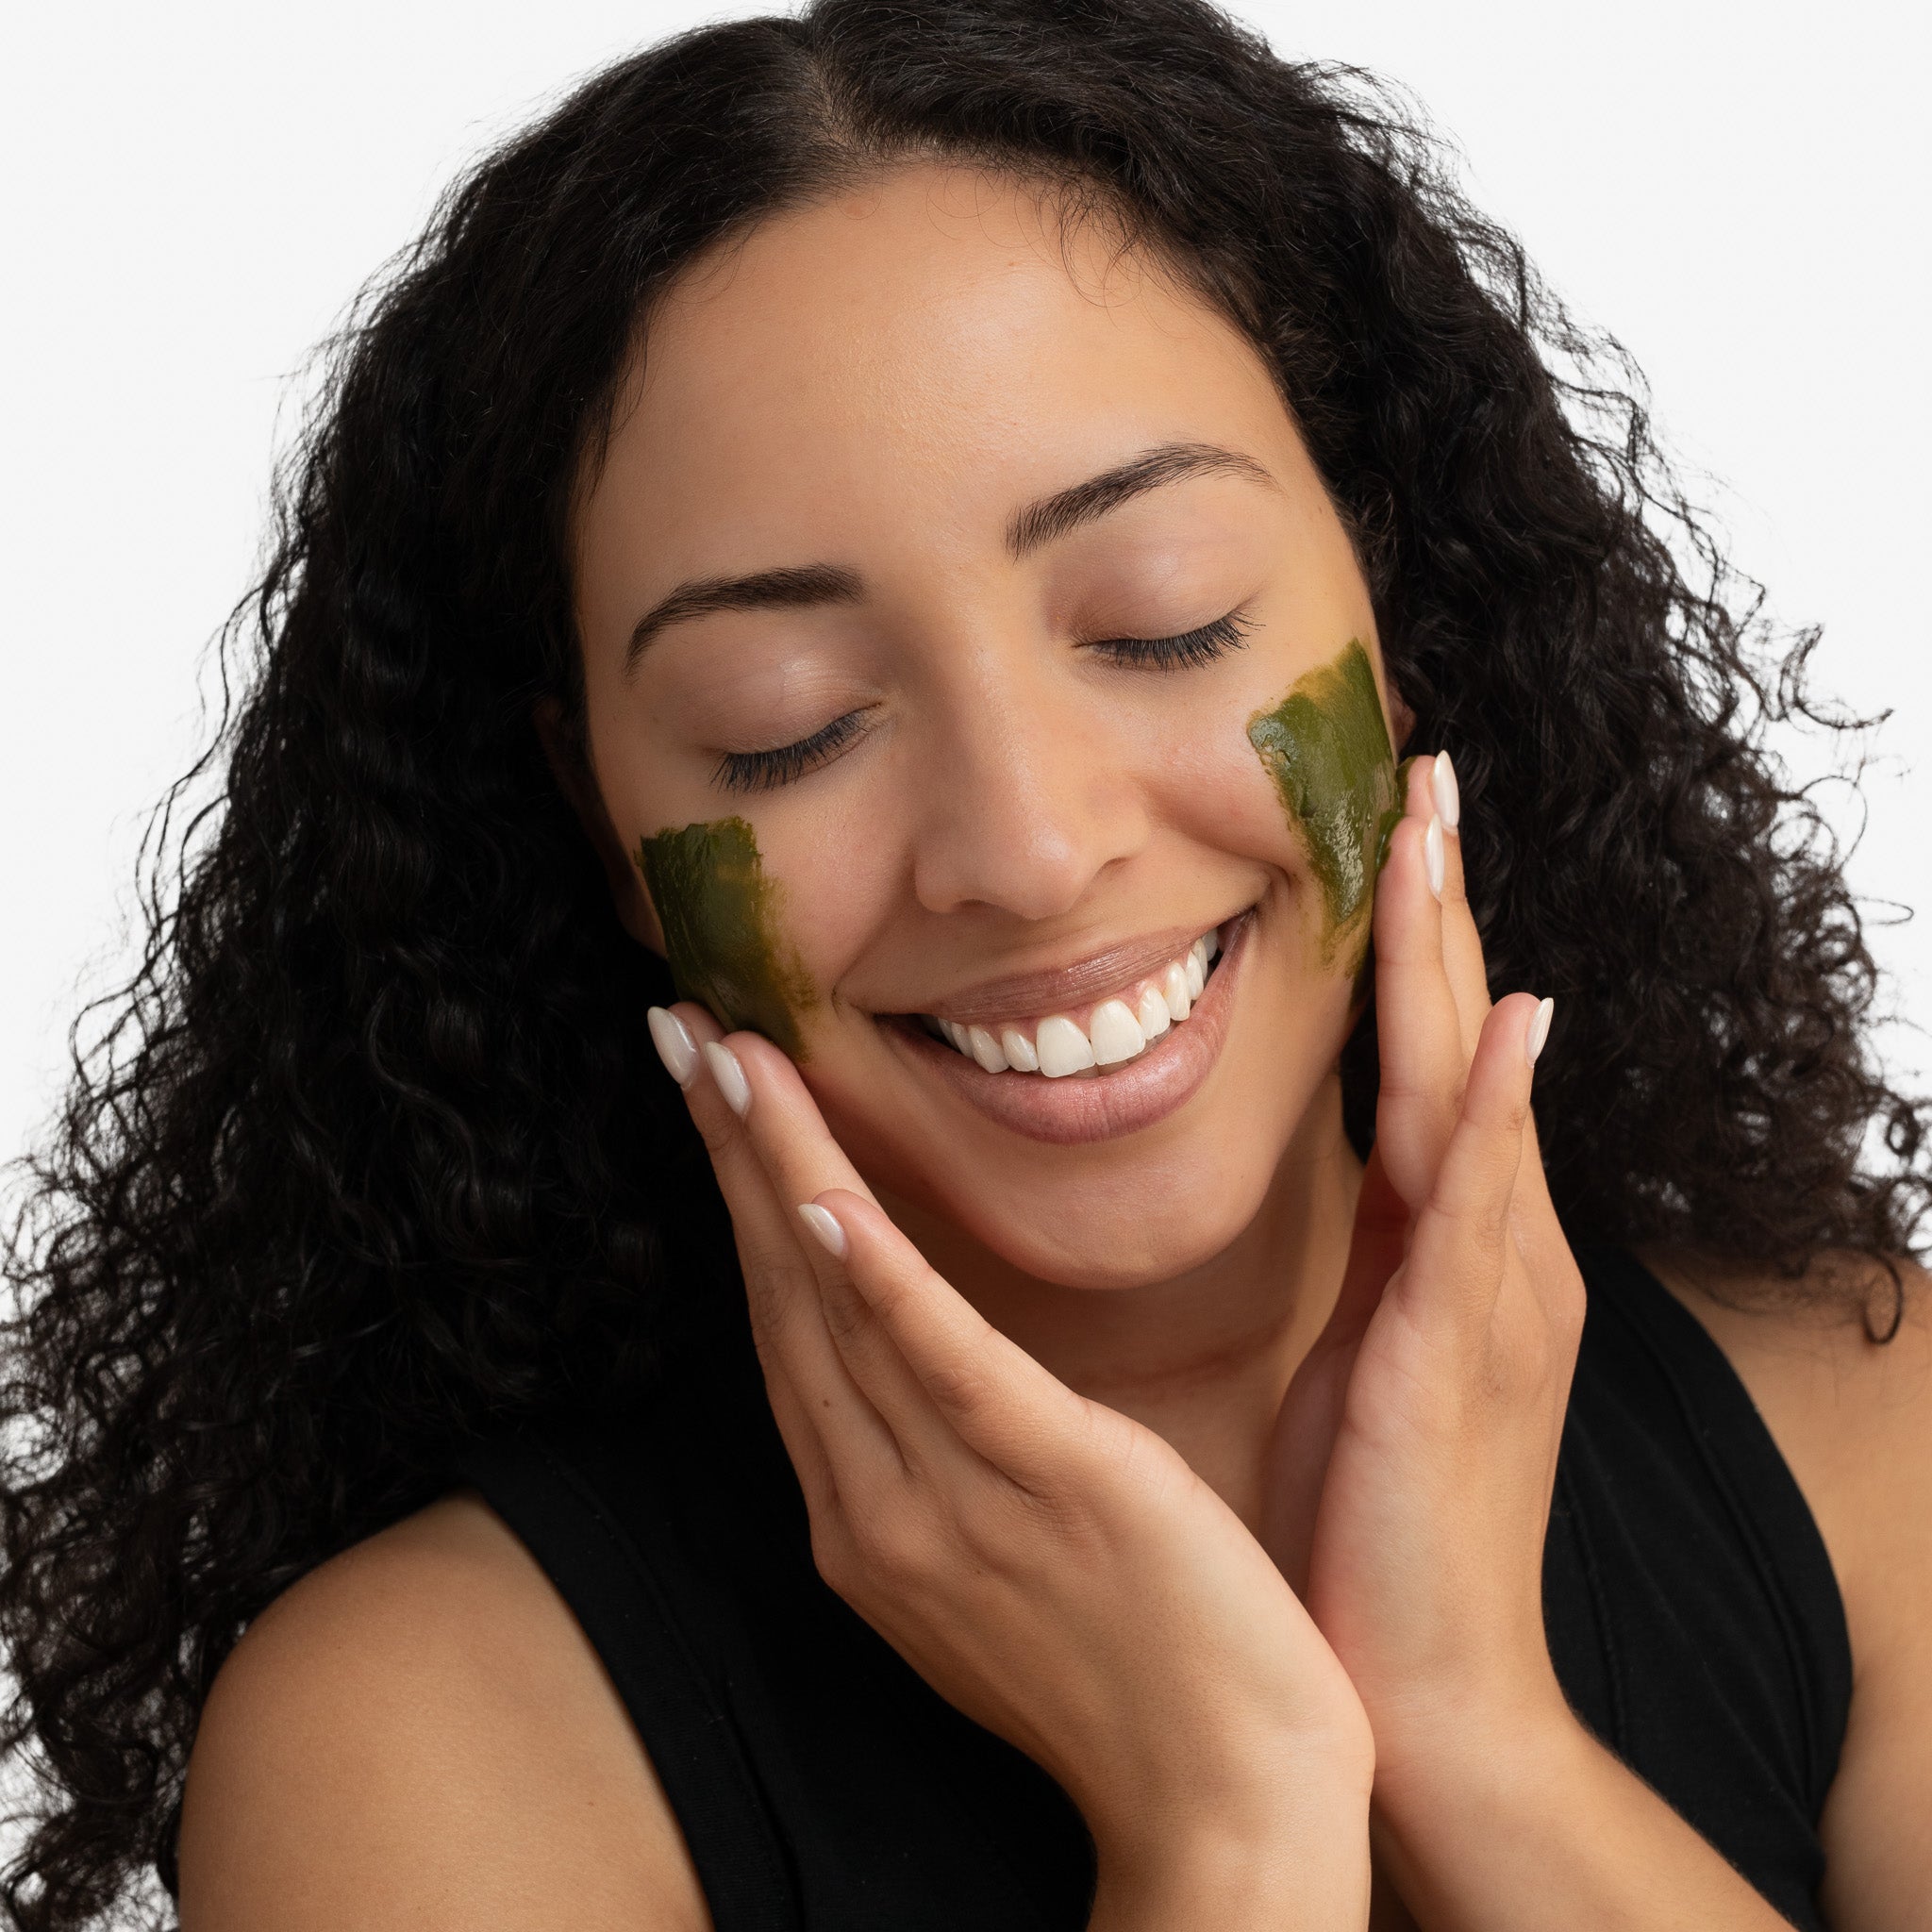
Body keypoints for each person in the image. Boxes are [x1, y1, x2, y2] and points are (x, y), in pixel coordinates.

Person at [3, 0, 1926, 1925]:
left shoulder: (1866, 1425)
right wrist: (1225, 1816)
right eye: (785, 723)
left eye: (1165, 620)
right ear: (601, 828)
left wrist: (1472, 1733)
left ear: (1392, 607)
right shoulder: (423, 1737)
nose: (1026, 847)